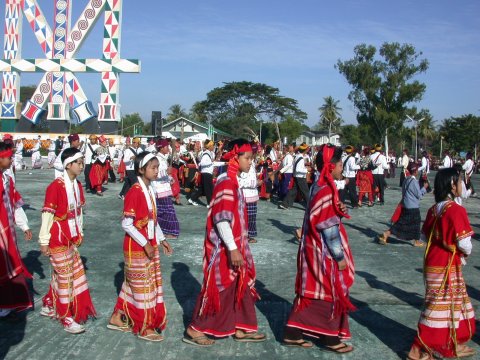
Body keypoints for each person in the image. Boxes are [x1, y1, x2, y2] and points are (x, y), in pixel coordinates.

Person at [183, 139, 266, 347]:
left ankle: (241, 326)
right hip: (223, 248)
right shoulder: (226, 182)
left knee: (240, 285)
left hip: (234, 245)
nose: (250, 162)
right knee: (221, 287)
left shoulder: (232, 180)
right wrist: (233, 248)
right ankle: (196, 328)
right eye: (247, 158)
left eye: (251, 158)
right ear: (235, 158)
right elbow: (222, 219)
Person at [283, 144, 355, 353]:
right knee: (330, 291)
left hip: (311, 249)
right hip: (322, 252)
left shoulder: (319, 186)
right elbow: (328, 228)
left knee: (311, 292)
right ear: (331, 166)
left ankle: (293, 333)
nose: (342, 168)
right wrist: (339, 256)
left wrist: (338, 209)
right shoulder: (325, 190)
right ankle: (330, 338)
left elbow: (324, 217)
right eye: (340, 164)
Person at [407, 168, 476, 360]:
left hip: (433, 262)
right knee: (438, 306)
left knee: (445, 304)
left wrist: (444, 242)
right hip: (446, 264)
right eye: (460, 181)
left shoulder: (433, 209)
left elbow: (423, 236)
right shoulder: (456, 210)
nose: (462, 185)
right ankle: (417, 348)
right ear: (452, 185)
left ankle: (451, 342)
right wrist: (461, 251)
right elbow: (465, 244)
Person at [108, 151, 173, 342]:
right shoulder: (135, 191)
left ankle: (117, 317)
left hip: (148, 243)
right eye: (153, 167)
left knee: (133, 284)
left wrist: (162, 240)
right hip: (137, 246)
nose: (156, 170)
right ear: (141, 169)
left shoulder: (150, 189)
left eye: (157, 167)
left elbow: (152, 220)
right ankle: (144, 327)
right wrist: (145, 243)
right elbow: (127, 224)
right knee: (143, 287)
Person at [38, 148, 96, 334]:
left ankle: (49, 304)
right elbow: (47, 216)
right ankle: (66, 317)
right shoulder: (55, 187)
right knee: (66, 278)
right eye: (78, 162)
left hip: (70, 237)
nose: (82, 166)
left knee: (64, 274)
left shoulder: (77, 186)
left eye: (82, 162)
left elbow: (78, 212)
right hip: (57, 238)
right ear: (67, 164)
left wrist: (79, 232)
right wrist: (44, 241)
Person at [0, 142, 33, 321]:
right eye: (8, 157)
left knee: (10, 264)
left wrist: (24, 225)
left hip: (7, 231)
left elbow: (14, 203)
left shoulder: (7, 179)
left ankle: (9, 303)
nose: (11, 159)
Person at [377, 162, 428, 247]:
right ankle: (415, 240)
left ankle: (387, 234)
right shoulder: (414, 181)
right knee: (415, 223)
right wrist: (424, 188)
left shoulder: (406, 179)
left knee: (402, 223)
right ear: (415, 171)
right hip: (413, 206)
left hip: (406, 204)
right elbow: (419, 195)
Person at [153, 139, 180, 239]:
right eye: (166, 146)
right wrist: (166, 172)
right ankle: (170, 232)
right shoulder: (156, 159)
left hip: (164, 188)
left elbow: (165, 174)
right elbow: (154, 174)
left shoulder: (163, 158)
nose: (168, 148)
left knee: (164, 211)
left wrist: (170, 178)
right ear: (161, 147)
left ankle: (164, 231)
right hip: (159, 189)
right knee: (167, 211)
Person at [238, 143, 260, 243]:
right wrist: (254, 183)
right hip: (245, 194)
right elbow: (240, 180)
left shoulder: (253, 163)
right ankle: (243, 235)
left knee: (252, 217)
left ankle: (250, 235)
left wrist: (256, 182)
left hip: (253, 195)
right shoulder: (243, 164)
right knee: (244, 216)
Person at [279, 143, 310, 210]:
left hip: (296, 176)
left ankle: (285, 204)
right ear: (305, 150)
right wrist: (306, 170)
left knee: (293, 191)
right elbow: (298, 169)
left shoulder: (297, 156)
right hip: (300, 177)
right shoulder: (301, 158)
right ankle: (310, 206)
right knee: (306, 192)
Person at [188, 139, 215, 207]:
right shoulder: (206, 154)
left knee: (202, 189)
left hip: (207, 173)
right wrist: (211, 162)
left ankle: (192, 199)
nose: (213, 147)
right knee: (209, 189)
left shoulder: (209, 153)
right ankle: (209, 203)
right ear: (209, 146)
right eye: (212, 145)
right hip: (206, 173)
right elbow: (202, 163)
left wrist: (224, 163)